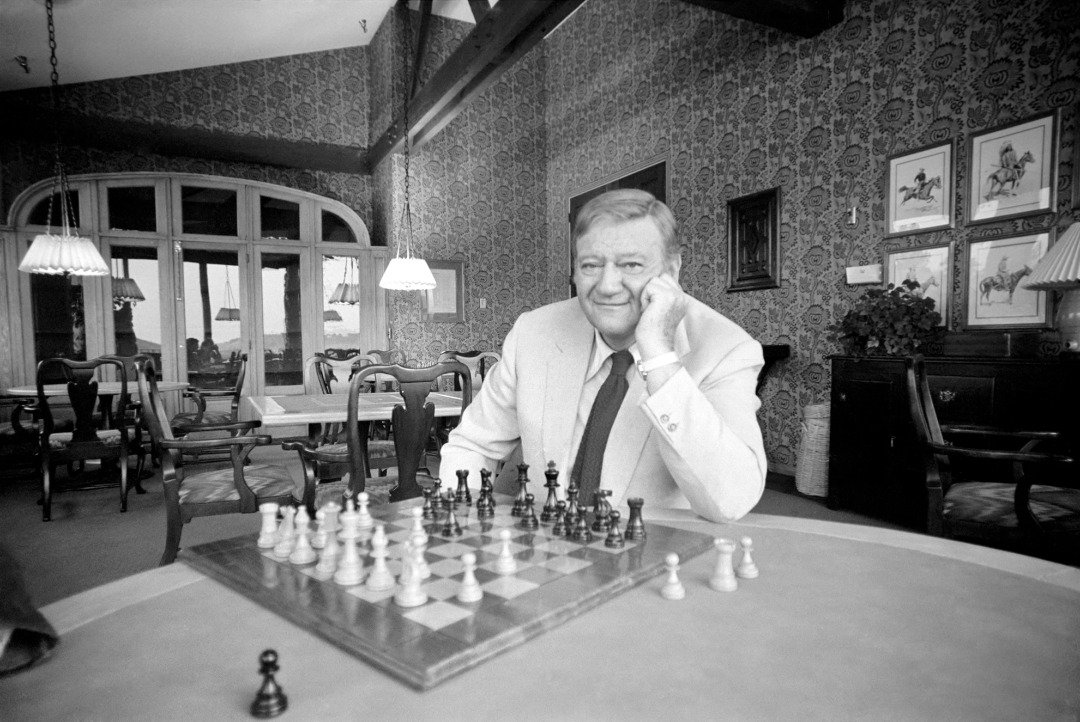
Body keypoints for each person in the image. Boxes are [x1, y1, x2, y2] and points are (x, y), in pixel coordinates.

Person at [438, 189, 766, 523]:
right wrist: (459, 527)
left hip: (652, 560)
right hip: (542, 554)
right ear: (575, 272)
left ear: (672, 270)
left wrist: (660, 357)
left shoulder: (726, 348)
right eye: (591, 265)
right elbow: (473, 445)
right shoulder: (534, 332)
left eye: (632, 264)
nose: (608, 285)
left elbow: (729, 501)